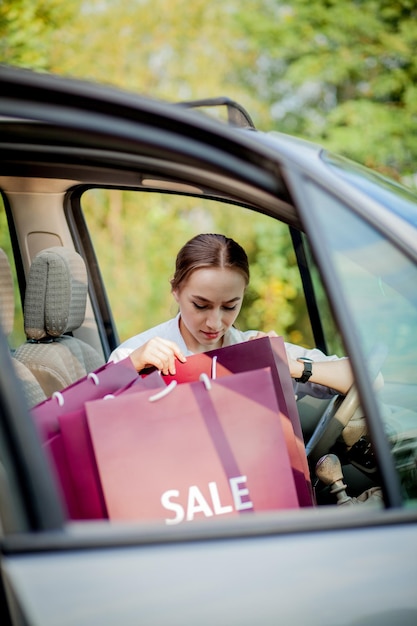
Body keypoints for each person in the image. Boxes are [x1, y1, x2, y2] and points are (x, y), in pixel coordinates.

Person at [109, 233, 353, 397]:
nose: (215, 323)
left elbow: (368, 382)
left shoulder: (256, 347)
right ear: (175, 289)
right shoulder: (135, 355)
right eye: (201, 305)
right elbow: (93, 423)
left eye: (229, 307)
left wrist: (289, 366)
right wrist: (129, 369)